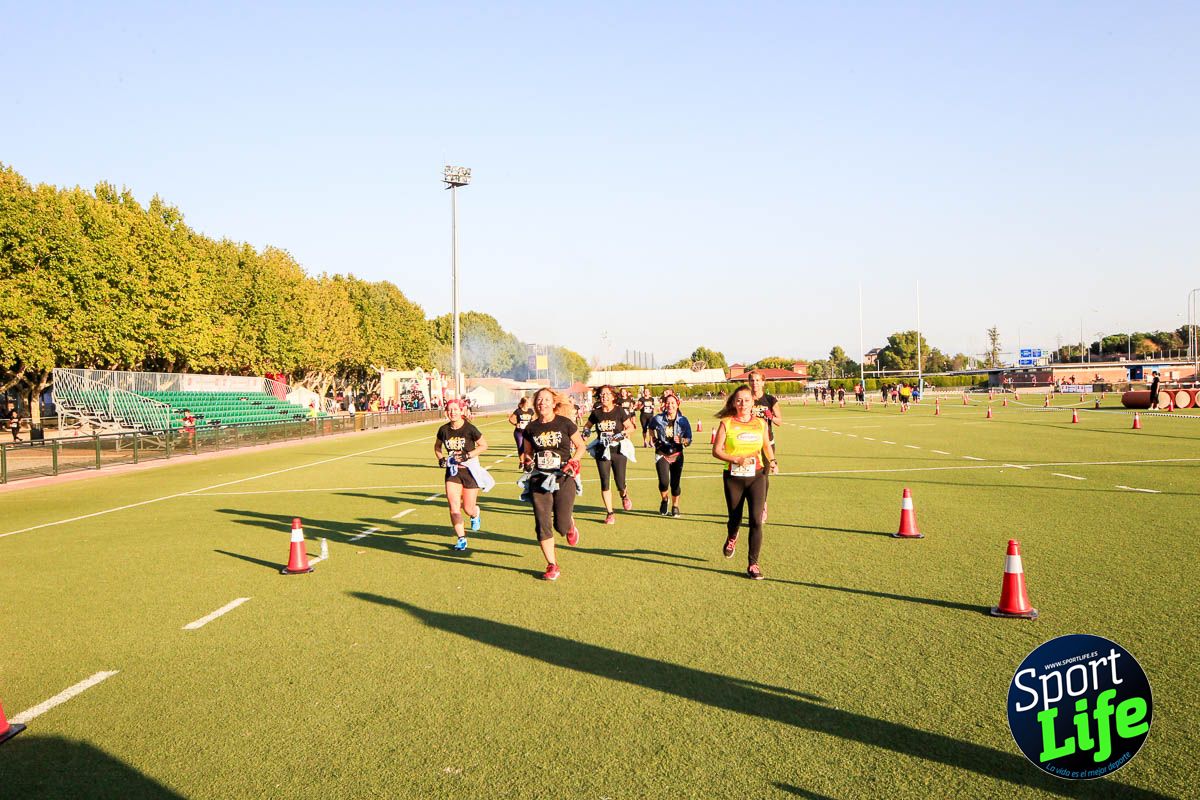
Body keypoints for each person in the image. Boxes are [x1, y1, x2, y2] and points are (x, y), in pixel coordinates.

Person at [712, 385, 778, 580]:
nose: (743, 404)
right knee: (735, 518)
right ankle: (732, 536)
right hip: (733, 477)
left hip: (757, 476)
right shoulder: (727, 423)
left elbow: (766, 445)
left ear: (753, 403)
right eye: (739, 400)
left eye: (747, 400)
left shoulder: (760, 423)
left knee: (757, 521)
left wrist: (772, 461)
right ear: (733, 402)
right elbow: (716, 451)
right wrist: (736, 459)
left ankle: (753, 564)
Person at [520, 387, 586, 580]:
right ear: (535, 404)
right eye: (539, 400)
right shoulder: (531, 428)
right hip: (539, 477)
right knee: (542, 522)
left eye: (546, 399)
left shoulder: (565, 423)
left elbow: (580, 446)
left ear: (554, 402)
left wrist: (574, 461)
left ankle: (570, 525)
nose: (542, 403)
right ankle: (552, 565)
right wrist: (527, 460)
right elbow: (527, 453)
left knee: (561, 525)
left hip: (563, 475)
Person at [433, 399, 493, 552]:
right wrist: (441, 459)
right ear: (446, 412)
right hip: (453, 472)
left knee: (468, 508)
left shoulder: (470, 429)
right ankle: (461, 538)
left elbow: (484, 445)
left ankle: (475, 514)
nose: (452, 412)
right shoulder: (444, 430)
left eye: (455, 409)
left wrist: (468, 455)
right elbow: (437, 446)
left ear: (461, 411)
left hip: (469, 471)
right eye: (449, 409)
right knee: (453, 506)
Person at [584, 385, 638, 524]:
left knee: (620, 482)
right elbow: (587, 426)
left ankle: (624, 495)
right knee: (605, 482)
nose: (604, 396)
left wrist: (622, 434)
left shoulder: (619, 411)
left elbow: (631, 427)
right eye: (602, 394)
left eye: (607, 394)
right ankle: (610, 513)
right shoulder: (596, 413)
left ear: (613, 396)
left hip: (618, 450)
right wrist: (586, 432)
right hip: (602, 451)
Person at [649, 393, 692, 516]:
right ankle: (664, 499)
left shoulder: (683, 420)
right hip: (662, 453)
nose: (670, 405)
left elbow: (689, 439)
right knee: (663, 482)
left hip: (677, 454)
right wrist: (654, 439)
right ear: (664, 405)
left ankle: (675, 506)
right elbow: (651, 427)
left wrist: (683, 440)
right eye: (668, 403)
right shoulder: (657, 418)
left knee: (675, 483)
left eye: (673, 403)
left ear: (678, 404)